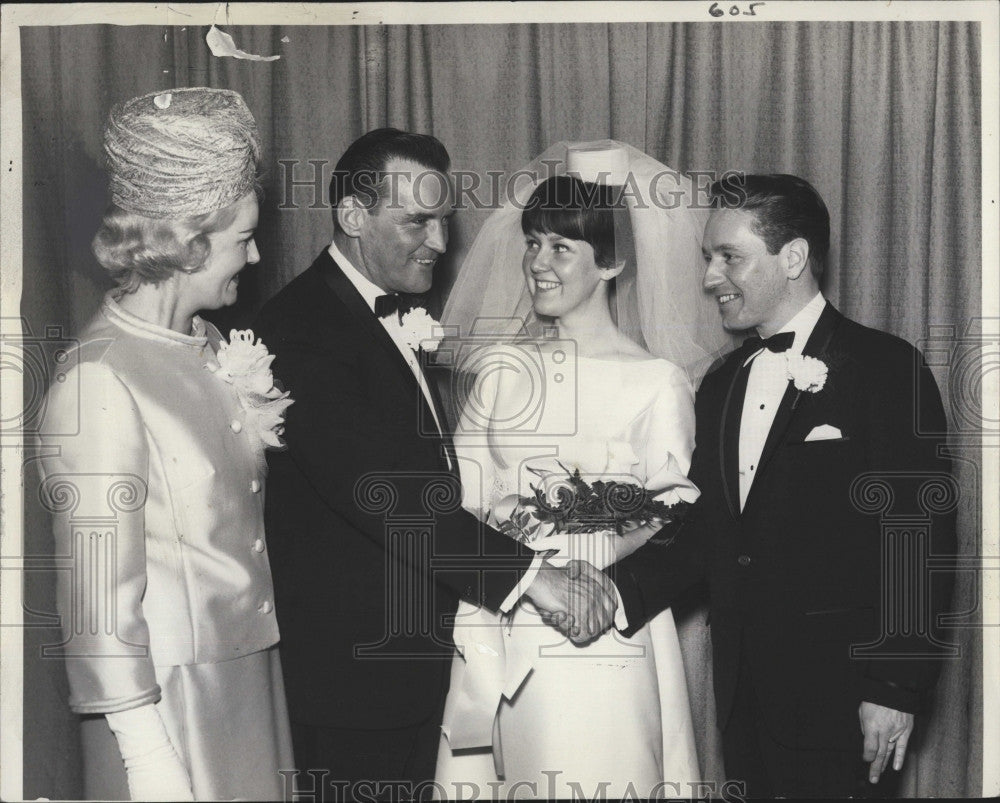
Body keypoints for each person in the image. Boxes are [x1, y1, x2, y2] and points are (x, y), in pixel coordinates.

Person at [252, 128, 608, 801]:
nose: (441, 244)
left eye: (443, 220)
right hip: (354, 681)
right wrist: (533, 576)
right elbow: (389, 493)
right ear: (353, 216)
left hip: (403, 667)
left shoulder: (374, 312)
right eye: (417, 221)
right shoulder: (303, 330)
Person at [602, 174, 957, 798]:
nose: (710, 277)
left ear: (793, 257)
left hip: (845, 697)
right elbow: (707, 532)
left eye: (729, 257)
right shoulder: (720, 381)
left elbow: (917, 539)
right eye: (709, 258)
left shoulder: (884, 367)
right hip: (743, 696)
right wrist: (604, 594)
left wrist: (894, 688)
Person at [434, 143, 734, 800]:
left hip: (606, 626)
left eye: (561, 248)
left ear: (613, 262)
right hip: (506, 615)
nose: (538, 263)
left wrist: (588, 569)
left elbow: (675, 508)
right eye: (534, 243)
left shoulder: (657, 383)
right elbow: (461, 495)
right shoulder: (500, 371)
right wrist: (525, 547)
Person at [39, 87, 294, 800]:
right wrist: (146, 754)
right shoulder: (99, 380)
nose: (256, 252)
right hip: (165, 706)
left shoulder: (206, 345)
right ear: (188, 241)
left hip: (245, 681)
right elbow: (95, 602)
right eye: (243, 236)